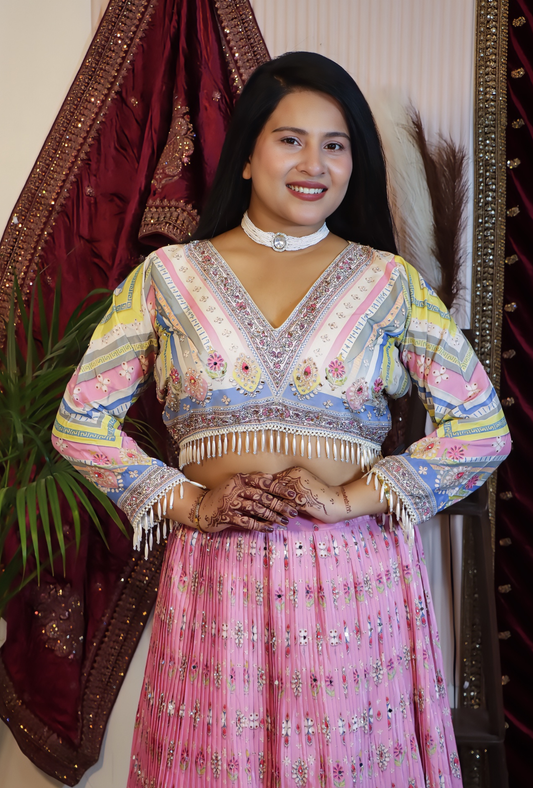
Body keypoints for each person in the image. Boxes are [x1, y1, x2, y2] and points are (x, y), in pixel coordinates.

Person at [53, 52, 510, 788]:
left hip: (353, 583)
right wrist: (191, 504)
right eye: (290, 139)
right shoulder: (168, 279)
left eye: (336, 145)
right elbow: (80, 422)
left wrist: (348, 499)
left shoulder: (386, 284)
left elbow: (481, 429)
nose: (315, 164)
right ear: (246, 155)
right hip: (217, 579)